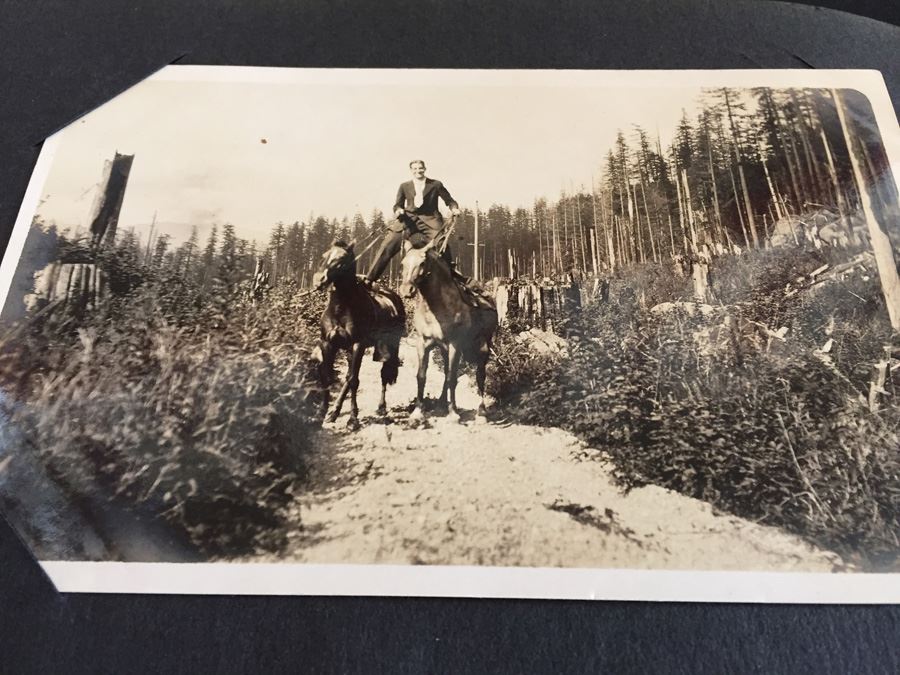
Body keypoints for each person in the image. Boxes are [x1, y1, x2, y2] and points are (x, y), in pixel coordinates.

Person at [366, 160, 462, 282]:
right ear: (411, 170)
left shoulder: (436, 184)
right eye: (415, 169)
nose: (418, 171)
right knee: (388, 243)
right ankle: (369, 279)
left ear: (425, 169)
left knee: (441, 244)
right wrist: (398, 210)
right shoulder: (404, 186)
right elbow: (397, 205)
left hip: (430, 220)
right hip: (408, 219)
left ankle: (451, 277)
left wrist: (454, 209)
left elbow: (450, 201)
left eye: (420, 168)